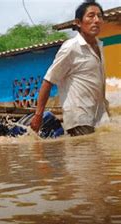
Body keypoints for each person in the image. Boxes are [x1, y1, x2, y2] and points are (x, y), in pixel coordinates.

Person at [30, 0, 109, 136]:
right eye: (91, 16)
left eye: (99, 16)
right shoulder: (71, 47)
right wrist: (38, 115)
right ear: (78, 22)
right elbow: (48, 81)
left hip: (97, 117)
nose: (96, 20)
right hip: (79, 118)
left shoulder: (99, 46)